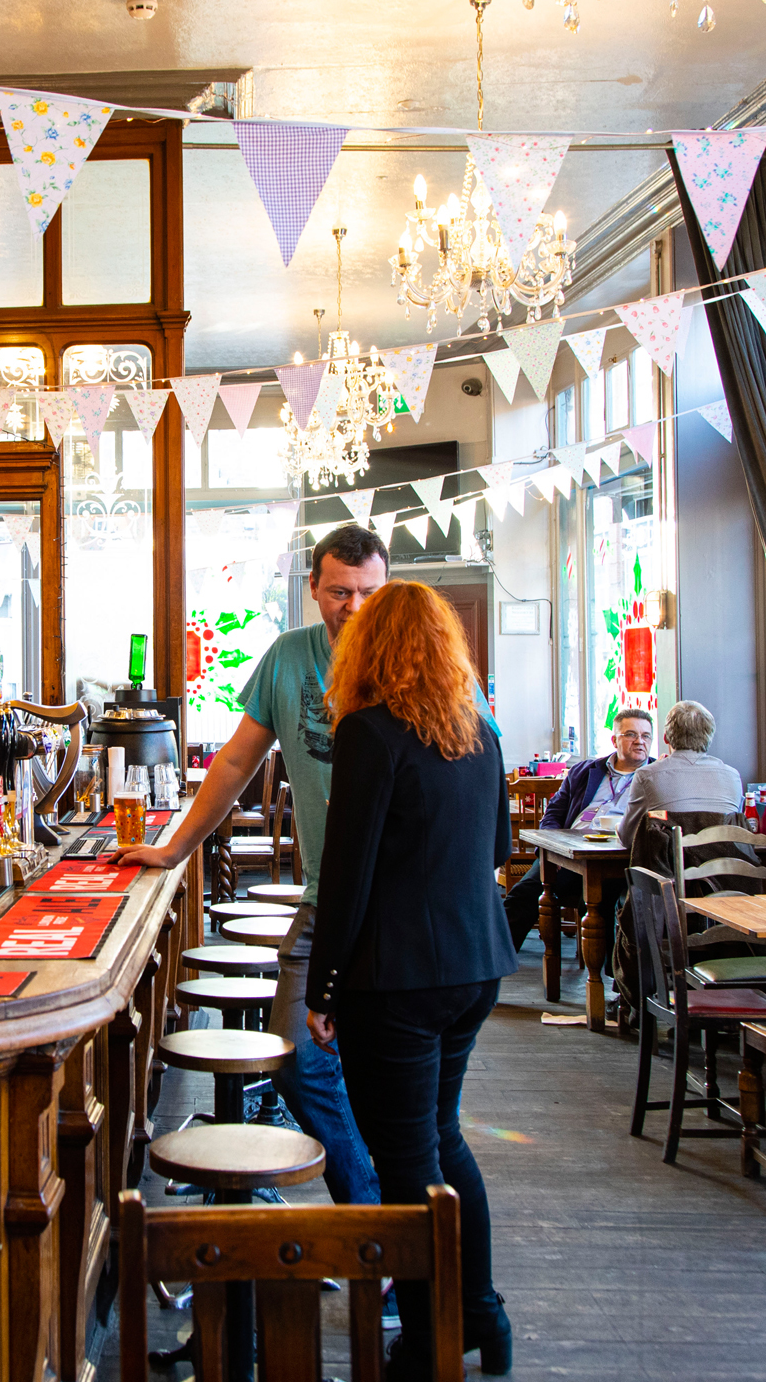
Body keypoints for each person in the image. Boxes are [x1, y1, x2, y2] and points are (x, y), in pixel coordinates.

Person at [114, 523, 394, 1207]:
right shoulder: (289, 658)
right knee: (300, 1063)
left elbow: (474, 755)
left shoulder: (413, 658)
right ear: (312, 589)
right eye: (337, 592)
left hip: (398, 908)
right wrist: (175, 848)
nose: (352, 607)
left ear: (386, 589)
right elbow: (236, 761)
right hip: (326, 901)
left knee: (392, 1079)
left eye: (367, 592)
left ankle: (390, 1242)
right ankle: (370, 1215)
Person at [304, 580, 516, 1379]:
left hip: (394, 980)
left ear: (371, 649)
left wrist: (321, 989)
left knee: (405, 1161)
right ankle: (483, 1320)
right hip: (475, 968)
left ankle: (429, 1338)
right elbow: (498, 848)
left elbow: (346, 875)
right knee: (444, 1139)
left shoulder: (369, 733)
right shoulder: (481, 738)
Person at [502, 708, 653, 948]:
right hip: (568, 854)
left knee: (602, 902)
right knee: (524, 894)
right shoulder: (584, 771)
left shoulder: (656, 776)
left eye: (646, 736)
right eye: (631, 734)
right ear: (614, 740)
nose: (639, 741)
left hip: (618, 859)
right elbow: (552, 815)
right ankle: (495, 959)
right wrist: (554, 848)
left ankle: (610, 977)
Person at [616, 699, 743, 848]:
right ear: (709, 736)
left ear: (666, 738)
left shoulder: (647, 775)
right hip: (727, 868)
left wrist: (618, 827)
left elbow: (629, 839)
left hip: (671, 869)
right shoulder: (732, 776)